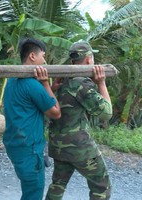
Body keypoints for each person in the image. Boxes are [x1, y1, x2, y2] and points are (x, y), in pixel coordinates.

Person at [45, 41, 112, 200]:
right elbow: (106, 113)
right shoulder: (81, 82)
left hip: (58, 144)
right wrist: (101, 83)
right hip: (79, 146)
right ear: (89, 60)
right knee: (102, 186)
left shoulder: (63, 79)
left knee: (58, 184)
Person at [3, 37, 61, 200]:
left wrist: (47, 88)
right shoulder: (33, 84)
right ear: (32, 57)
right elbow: (56, 113)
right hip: (29, 149)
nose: (45, 61)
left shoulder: (12, 80)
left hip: (15, 144)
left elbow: (30, 101)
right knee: (33, 193)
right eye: (43, 56)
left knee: (28, 190)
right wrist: (46, 85)